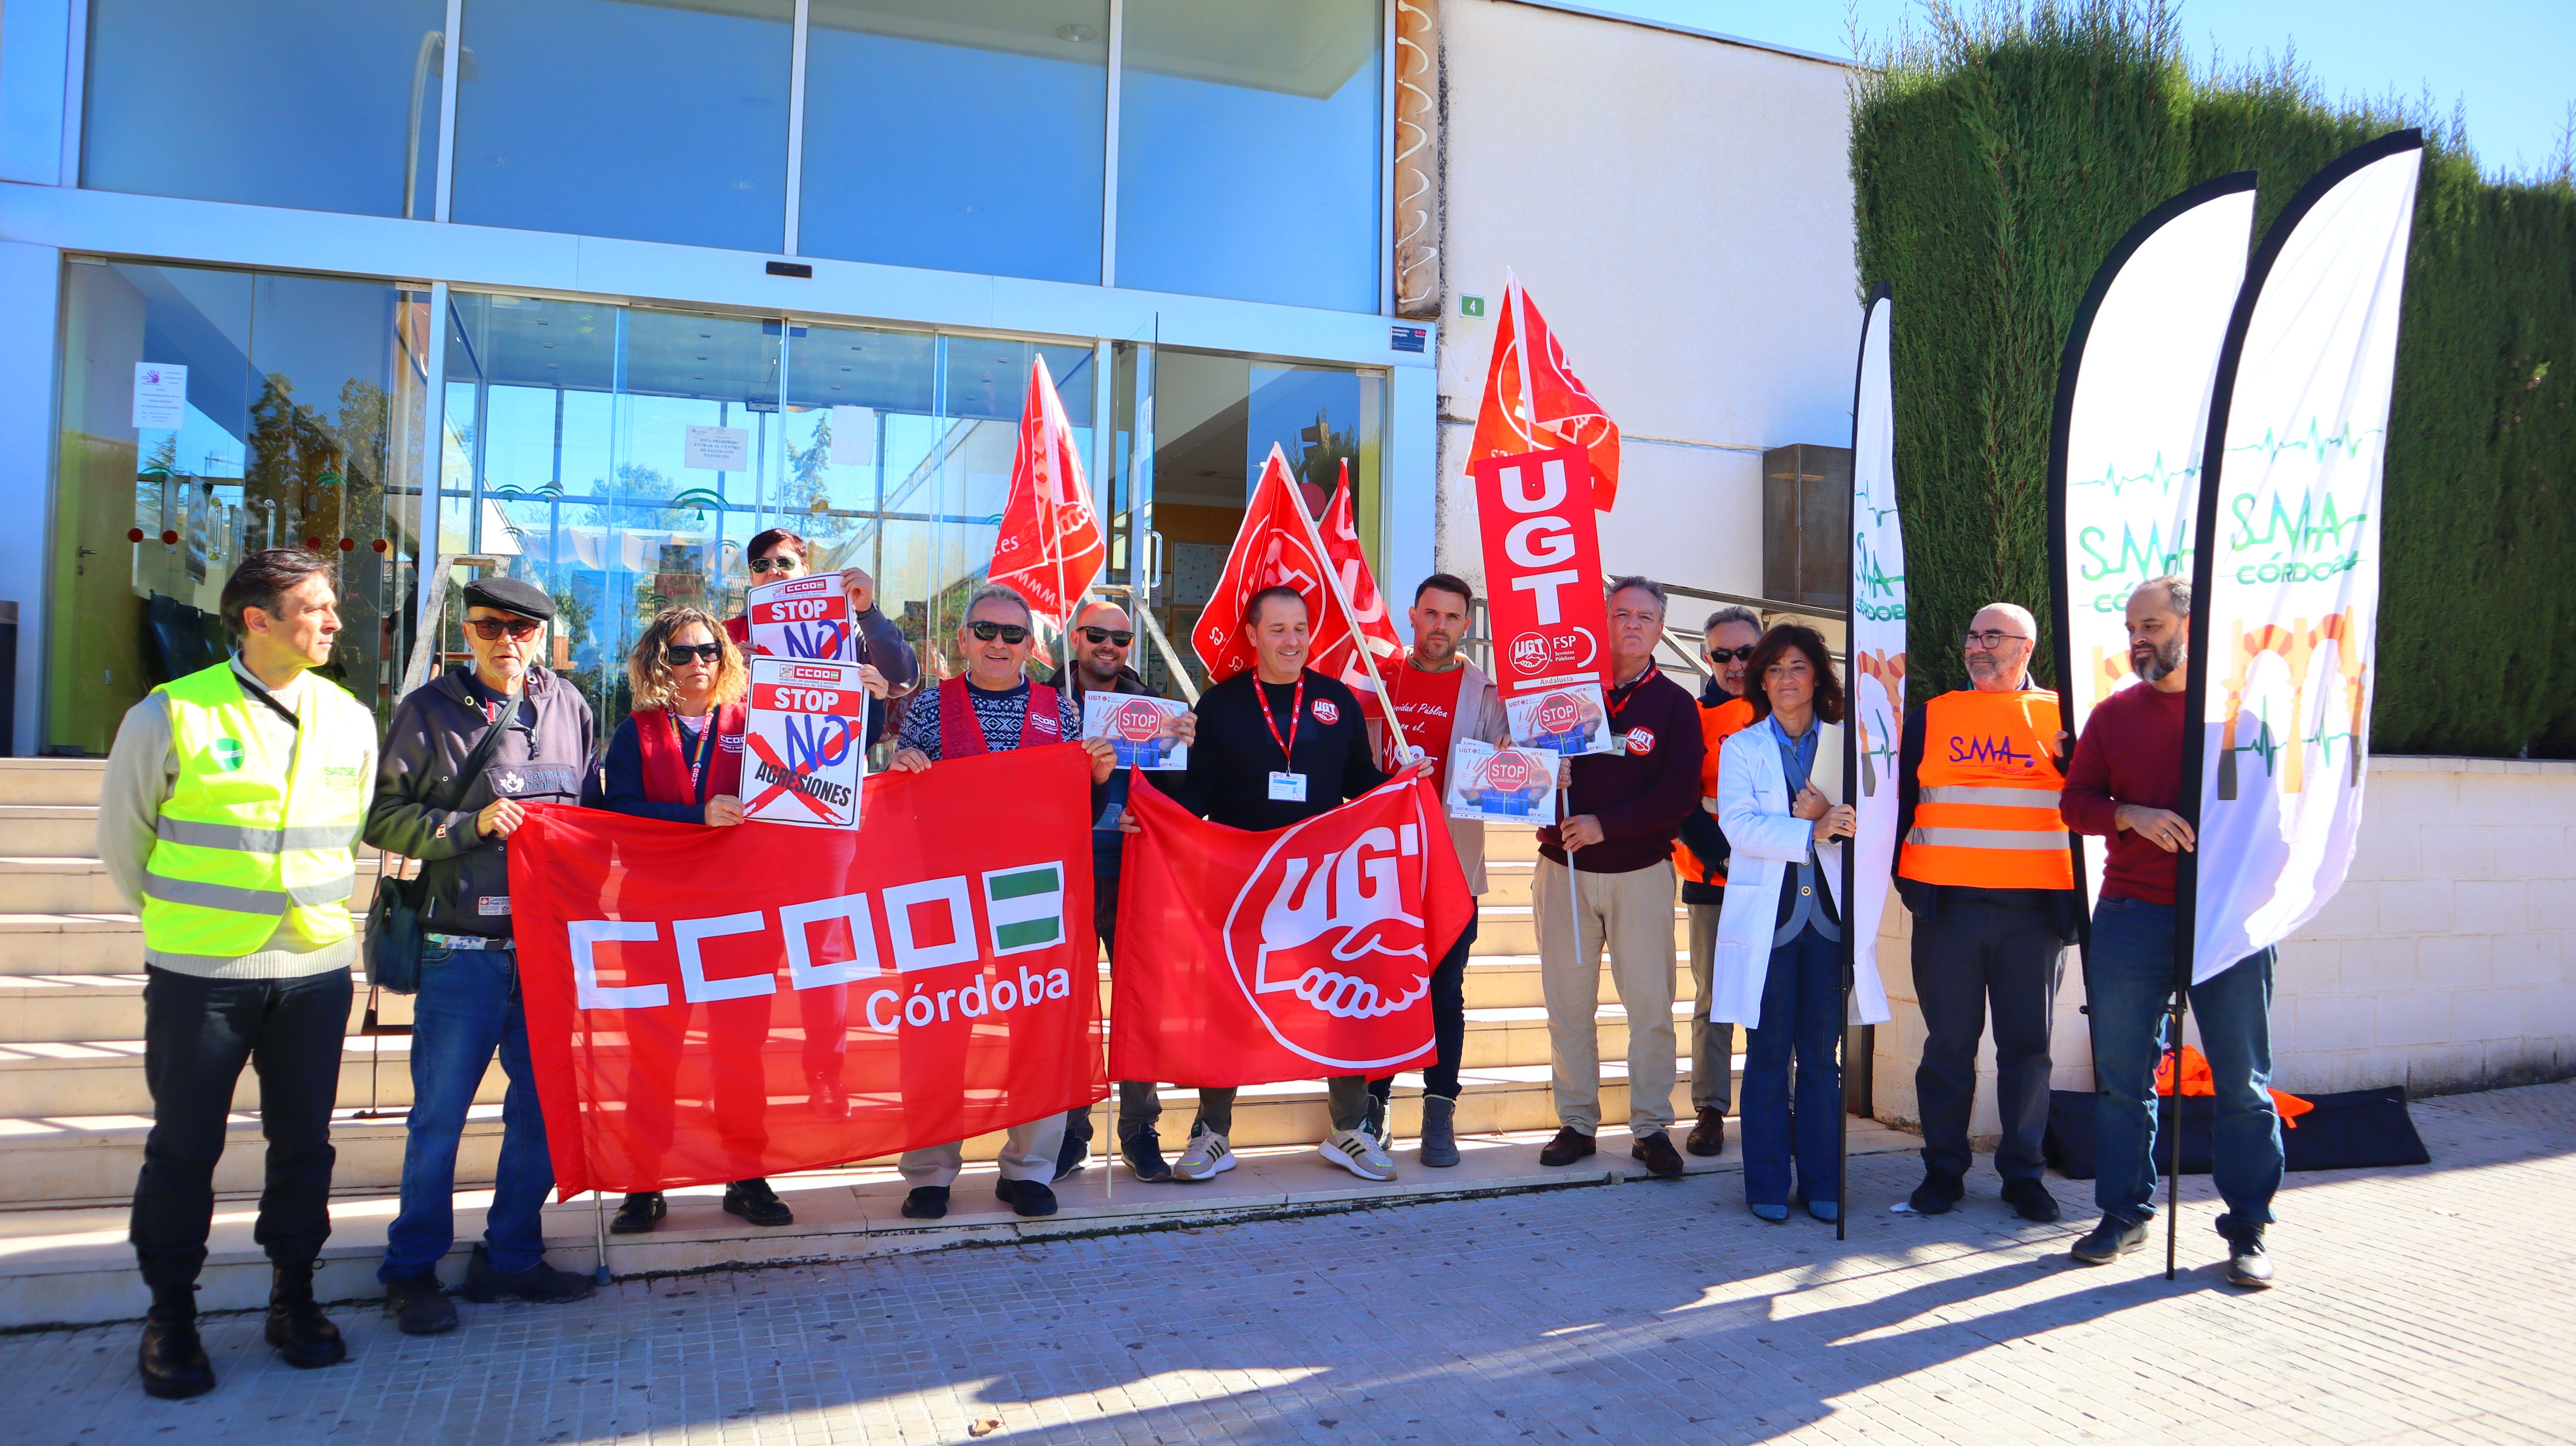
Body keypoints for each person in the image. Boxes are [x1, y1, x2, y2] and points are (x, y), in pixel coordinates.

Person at [100, 549, 377, 1398]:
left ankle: (294, 1298)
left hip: (317, 969)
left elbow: (350, 827)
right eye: (316, 608)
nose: (333, 622)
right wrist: (186, 931)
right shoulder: (170, 714)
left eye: (331, 608)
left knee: (305, 1146)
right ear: (257, 620)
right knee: (185, 1147)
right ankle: (171, 1318)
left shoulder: (349, 718)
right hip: (202, 973)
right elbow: (125, 844)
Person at [590, 608, 889, 1236]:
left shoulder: (754, 724)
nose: (697, 663)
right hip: (659, 919)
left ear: (726, 660)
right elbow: (617, 815)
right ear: (657, 663)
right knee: (655, 1054)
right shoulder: (636, 732)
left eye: (708, 652)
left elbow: (827, 759)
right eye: (681, 654)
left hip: (739, 919)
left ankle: (746, 1176)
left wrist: (868, 703)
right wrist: (697, 815)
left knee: (739, 1052)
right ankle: (644, 1184)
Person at [367, 575, 597, 1334]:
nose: (507, 641)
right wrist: (471, 825)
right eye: (489, 626)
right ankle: (411, 1269)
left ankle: (512, 1253)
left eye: (523, 628)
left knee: (539, 1112)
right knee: (439, 1118)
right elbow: (385, 816)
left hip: (547, 954)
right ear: (464, 633)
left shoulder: (570, 706)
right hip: (460, 952)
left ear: (545, 636)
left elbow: (593, 816)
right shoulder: (427, 710)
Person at [1144, 586, 1428, 1184]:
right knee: (1228, 1002)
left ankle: (1351, 1128)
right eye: (1277, 629)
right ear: (1252, 635)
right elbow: (1196, 794)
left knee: (1340, 1001)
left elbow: (1360, 783)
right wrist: (1151, 807)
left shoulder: (1335, 701)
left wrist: (1402, 786)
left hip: (1326, 880)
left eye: (1299, 627)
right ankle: (1213, 1133)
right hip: (1241, 879)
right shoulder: (1220, 705)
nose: (1291, 640)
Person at [2061, 576, 2281, 1288]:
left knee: (2243, 1083)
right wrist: (2131, 814)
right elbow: (2077, 802)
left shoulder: (2240, 718)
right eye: (2132, 628)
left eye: (2151, 624)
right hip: (2132, 914)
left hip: (2226, 922)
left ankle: (2248, 1226)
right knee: (2124, 1077)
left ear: (2192, 624)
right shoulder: (2114, 715)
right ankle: (2124, 1213)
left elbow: (2273, 826)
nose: (2138, 639)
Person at [885, 586, 1117, 1219]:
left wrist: (1096, 781)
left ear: (1030, 647)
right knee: (937, 1028)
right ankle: (930, 1170)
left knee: (1037, 1029)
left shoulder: (1062, 714)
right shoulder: (928, 709)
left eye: (1013, 635)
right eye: (985, 631)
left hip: (1030, 894)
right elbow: (901, 809)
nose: (998, 644)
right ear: (963, 640)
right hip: (945, 893)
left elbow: (1077, 818)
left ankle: (1029, 1168)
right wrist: (903, 766)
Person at [1893, 603, 2081, 1223]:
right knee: (1948, 1046)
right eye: (1972, 634)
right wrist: (1907, 883)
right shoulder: (1930, 718)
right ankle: (1944, 1172)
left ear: (2025, 648)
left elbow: (2089, 811)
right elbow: (1900, 806)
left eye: (1992, 637)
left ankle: (2024, 1175)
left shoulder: (2063, 718)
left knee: (2028, 1050)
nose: (1978, 646)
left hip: (2033, 917)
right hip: (1948, 913)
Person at [1711, 624, 1887, 1222]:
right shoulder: (1742, 748)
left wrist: (1836, 821)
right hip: (1771, 924)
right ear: (1762, 681)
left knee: (1820, 1056)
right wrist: (1813, 827)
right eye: (1775, 670)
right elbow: (1738, 827)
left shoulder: (1848, 745)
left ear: (1818, 676)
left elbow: (1872, 829)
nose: (1787, 680)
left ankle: (1822, 1183)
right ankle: (1765, 1183)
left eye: (1798, 667)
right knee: (1766, 1055)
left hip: (1831, 924)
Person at [1532, 577, 1704, 1178]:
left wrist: (1608, 825)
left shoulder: (1678, 706)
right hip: (1564, 873)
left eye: (1646, 617)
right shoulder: (1560, 690)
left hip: (1640, 873)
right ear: (1602, 620)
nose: (1632, 624)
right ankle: (1578, 1123)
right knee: (1567, 1007)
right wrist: (1534, 768)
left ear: (1661, 630)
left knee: (1651, 1008)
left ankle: (1651, 1127)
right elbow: (1518, 772)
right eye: (1621, 613)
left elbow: (1681, 794)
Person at [1365, 574, 1508, 1167]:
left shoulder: (1486, 694)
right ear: (1412, 615)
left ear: (1466, 627)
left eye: (1452, 618)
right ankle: (1371, 1108)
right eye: (1431, 615)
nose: (1440, 627)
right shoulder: (1377, 683)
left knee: (1445, 996)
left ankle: (1439, 1111)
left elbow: (1512, 769)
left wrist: (1522, 769)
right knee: (1377, 990)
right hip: (1378, 871)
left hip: (1453, 872)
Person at [1051, 598, 1194, 1183]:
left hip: (1139, 871)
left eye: (1120, 639)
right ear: (1075, 638)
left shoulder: (1155, 710)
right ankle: (1069, 1130)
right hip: (1069, 875)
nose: (1108, 647)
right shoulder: (1046, 703)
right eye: (1096, 636)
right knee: (1069, 1009)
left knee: (1140, 1003)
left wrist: (1190, 747)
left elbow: (1186, 800)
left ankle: (1139, 1129)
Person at [1673, 606, 1762, 1157]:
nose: (1735, 664)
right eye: (1722, 654)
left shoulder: (1789, 708)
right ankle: (1710, 1109)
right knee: (1714, 1000)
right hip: (1714, 879)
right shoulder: (1693, 717)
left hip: (1782, 879)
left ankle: (1782, 1102)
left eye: (1745, 652)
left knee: (1774, 997)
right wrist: (1728, 860)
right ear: (1707, 657)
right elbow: (1684, 802)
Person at [727, 527, 919, 690]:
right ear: (752, 576)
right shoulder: (727, 635)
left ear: (805, 572)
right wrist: (728, 670)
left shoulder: (845, 632)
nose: (773, 571)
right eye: (761, 565)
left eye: (784, 563)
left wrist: (868, 612)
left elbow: (902, 680)